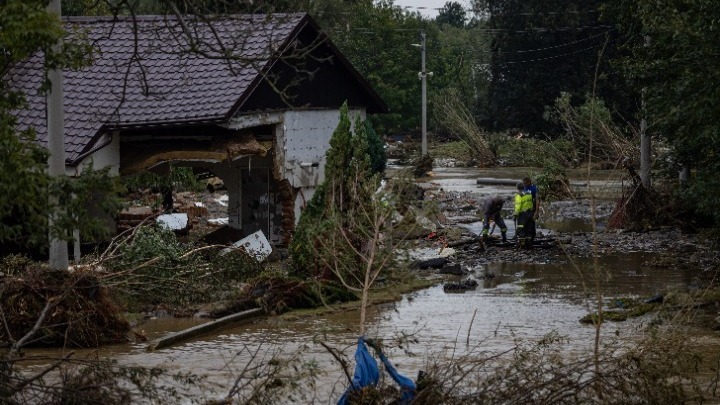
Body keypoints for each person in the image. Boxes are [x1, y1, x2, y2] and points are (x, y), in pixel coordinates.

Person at [514, 182, 534, 249]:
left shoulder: (519, 195)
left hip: (522, 214)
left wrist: (515, 214)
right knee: (528, 229)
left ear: (517, 188)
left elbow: (518, 206)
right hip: (530, 213)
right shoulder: (529, 193)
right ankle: (529, 243)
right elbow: (531, 203)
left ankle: (522, 244)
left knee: (521, 229)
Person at [522, 176, 539, 242]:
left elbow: (537, 199)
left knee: (531, 223)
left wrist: (537, 211)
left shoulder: (534, 188)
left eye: (526, 183)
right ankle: (526, 238)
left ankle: (531, 238)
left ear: (529, 182)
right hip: (524, 209)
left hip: (532, 208)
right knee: (524, 224)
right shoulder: (523, 188)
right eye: (524, 183)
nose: (525, 184)